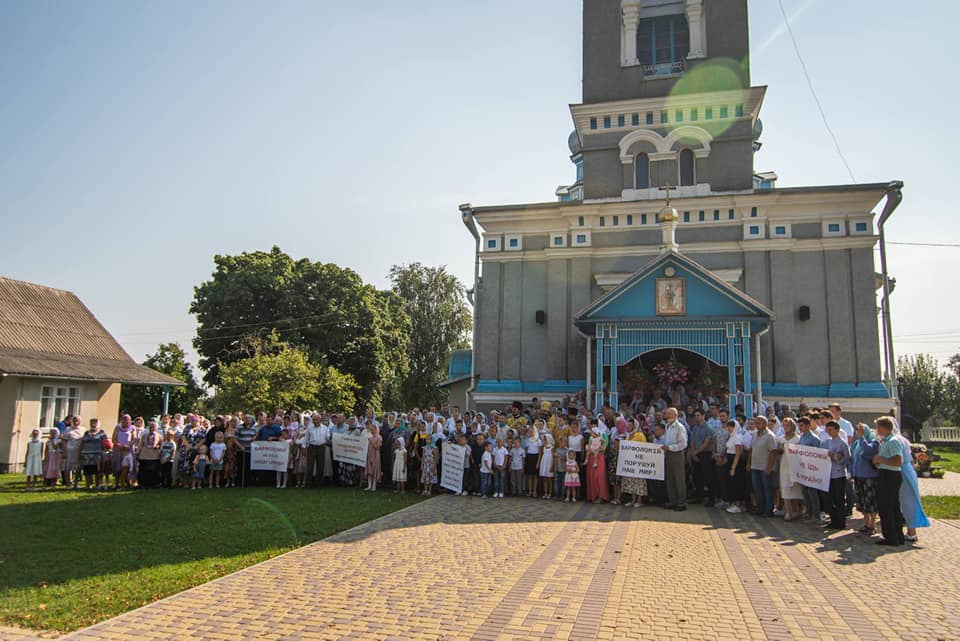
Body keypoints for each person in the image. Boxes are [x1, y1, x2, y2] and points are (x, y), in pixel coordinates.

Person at [891, 423, 930, 542]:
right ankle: (909, 529)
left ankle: (911, 531)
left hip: (902, 470)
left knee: (908, 501)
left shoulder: (895, 440)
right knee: (907, 500)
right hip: (907, 470)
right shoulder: (903, 440)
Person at [873, 416, 905, 546]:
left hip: (890, 475)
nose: (876, 430)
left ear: (882, 427)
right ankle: (896, 535)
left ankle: (892, 536)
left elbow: (898, 461)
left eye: (877, 427)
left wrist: (881, 460)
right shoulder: (885, 441)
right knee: (891, 506)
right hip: (885, 472)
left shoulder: (893, 441)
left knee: (887, 507)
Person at [850, 423, 879, 534]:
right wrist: (851, 472)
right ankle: (866, 523)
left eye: (861, 430)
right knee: (861, 500)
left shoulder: (873, 442)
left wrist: (863, 437)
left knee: (870, 500)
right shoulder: (856, 444)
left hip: (870, 476)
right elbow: (853, 459)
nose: (858, 432)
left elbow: (868, 451)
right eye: (857, 430)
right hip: (858, 475)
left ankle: (872, 524)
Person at [823, 421, 850, 530]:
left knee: (839, 499)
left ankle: (841, 521)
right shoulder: (827, 442)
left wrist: (836, 457)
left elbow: (847, 458)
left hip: (838, 474)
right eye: (827, 430)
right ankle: (833, 519)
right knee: (829, 498)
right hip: (828, 474)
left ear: (837, 430)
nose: (829, 432)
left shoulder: (842, 443)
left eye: (831, 430)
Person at [749, 416, 778, 518]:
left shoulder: (770, 436)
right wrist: (749, 464)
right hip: (755, 466)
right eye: (756, 423)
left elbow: (773, 452)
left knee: (767, 489)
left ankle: (768, 509)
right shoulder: (754, 435)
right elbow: (751, 449)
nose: (756, 425)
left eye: (759, 423)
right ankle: (760, 508)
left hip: (765, 468)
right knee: (757, 489)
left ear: (765, 424)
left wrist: (769, 468)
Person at [661, 407, 688, 511]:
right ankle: (673, 501)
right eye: (667, 414)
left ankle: (681, 503)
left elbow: (683, 444)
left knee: (679, 479)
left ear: (675, 415)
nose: (667, 416)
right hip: (668, 454)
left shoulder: (680, 427)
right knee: (670, 479)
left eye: (669, 414)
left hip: (677, 454)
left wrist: (670, 447)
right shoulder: (668, 425)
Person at [778, 418, 804, 521]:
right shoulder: (781, 439)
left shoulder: (798, 439)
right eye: (784, 425)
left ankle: (797, 510)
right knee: (785, 486)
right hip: (784, 464)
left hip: (795, 465)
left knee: (796, 488)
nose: (785, 427)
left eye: (787, 425)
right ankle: (787, 512)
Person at [724, 420, 747, 514]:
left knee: (737, 483)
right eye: (728, 426)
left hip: (735, 461)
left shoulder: (738, 437)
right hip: (729, 459)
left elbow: (738, 453)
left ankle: (738, 504)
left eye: (731, 426)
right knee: (731, 483)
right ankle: (734, 502)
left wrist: (733, 467)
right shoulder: (731, 436)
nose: (729, 428)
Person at [586, 427, 609, 503]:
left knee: (599, 477)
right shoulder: (591, 439)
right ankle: (593, 495)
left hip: (599, 459)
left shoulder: (601, 439)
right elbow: (588, 448)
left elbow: (603, 448)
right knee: (592, 476)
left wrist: (598, 449)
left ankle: (600, 496)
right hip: (591, 458)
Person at [538, 435, 555, 499]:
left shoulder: (552, 448)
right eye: (544, 439)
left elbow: (553, 457)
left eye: (546, 439)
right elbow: (542, 454)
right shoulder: (543, 447)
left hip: (549, 463)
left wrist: (552, 466)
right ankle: (545, 492)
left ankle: (550, 493)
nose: (544, 441)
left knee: (549, 479)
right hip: (544, 463)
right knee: (544, 479)